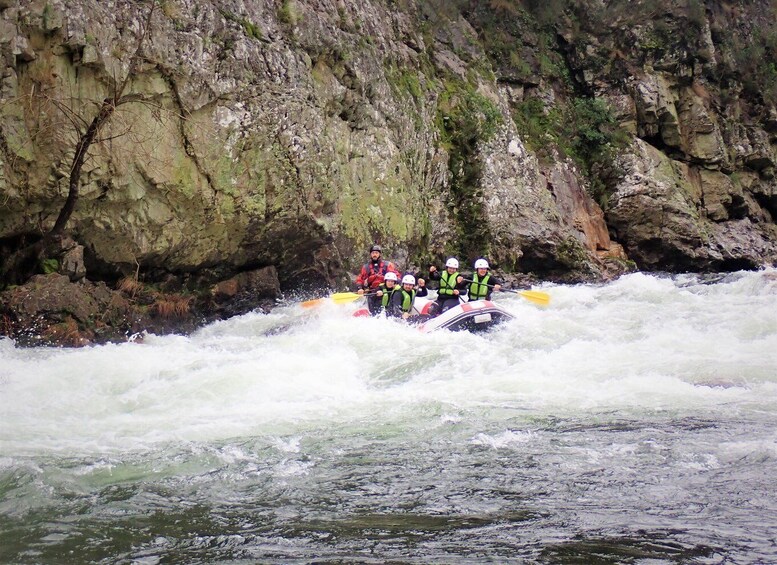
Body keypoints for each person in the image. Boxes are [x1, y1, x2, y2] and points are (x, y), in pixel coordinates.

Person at [355, 244, 400, 315]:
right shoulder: (366, 267)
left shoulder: (387, 265)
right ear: (370, 255)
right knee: (374, 311)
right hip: (372, 292)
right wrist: (360, 288)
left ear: (380, 254)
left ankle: (393, 312)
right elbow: (360, 279)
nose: (374, 255)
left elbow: (396, 276)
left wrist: (396, 283)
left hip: (386, 290)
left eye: (376, 253)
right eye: (373, 253)